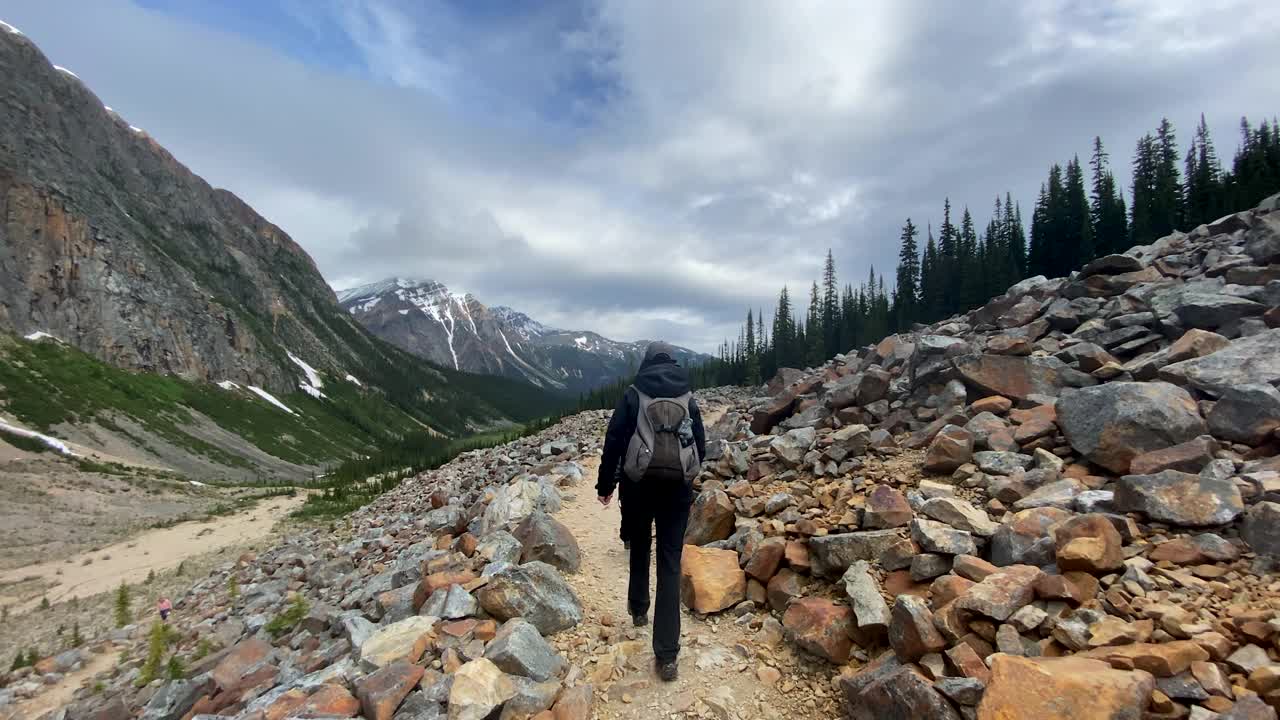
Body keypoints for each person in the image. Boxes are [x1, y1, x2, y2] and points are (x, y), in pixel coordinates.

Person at [597, 342, 705, 682]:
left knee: (641, 544)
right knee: (670, 563)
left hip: (638, 484)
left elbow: (614, 439)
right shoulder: (688, 396)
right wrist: (687, 477)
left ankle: (639, 609)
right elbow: (700, 445)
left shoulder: (634, 392)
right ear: (673, 362)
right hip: (677, 489)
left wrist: (606, 485)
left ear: (646, 362)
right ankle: (667, 656)